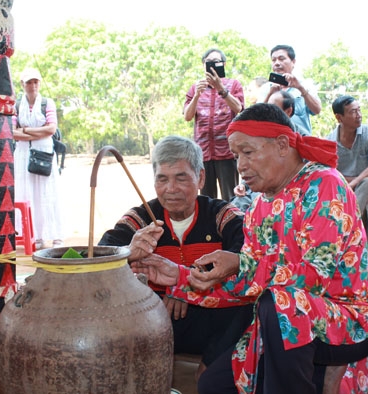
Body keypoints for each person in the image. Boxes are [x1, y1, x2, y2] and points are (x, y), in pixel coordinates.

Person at [132, 104, 368, 394]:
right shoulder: (259, 205)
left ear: (281, 145)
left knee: (277, 304)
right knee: (214, 386)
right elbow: (245, 286)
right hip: (280, 324)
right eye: (236, 155)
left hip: (345, 321)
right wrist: (179, 276)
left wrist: (240, 263)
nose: (239, 165)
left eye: (248, 153)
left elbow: (310, 280)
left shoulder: (325, 185)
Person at [99, 135, 253, 378]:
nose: (171, 189)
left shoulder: (222, 213)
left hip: (210, 324)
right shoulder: (140, 218)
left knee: (248, 307)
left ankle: (209, 370)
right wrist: (127, 252)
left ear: (200, 177)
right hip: (154, 323)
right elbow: (99, 256)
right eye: (162, 179)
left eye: (181, 178)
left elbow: (246, 256)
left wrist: (185, 288)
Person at [328, 95, 368, 272]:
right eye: (353, 112)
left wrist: (353, 182)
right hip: (347, 191)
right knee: (353, 198)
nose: (359, 115)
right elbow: (331, 173)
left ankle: (348, 232)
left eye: (359, 110)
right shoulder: (330, 140)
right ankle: (360, 257)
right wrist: (349, 185)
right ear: (339, 117)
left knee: (367, 184)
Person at [184, 48, 244, 201]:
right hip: (203, 153)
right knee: (205, 198)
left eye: (217, 62)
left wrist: (220, 88)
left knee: (231, 196)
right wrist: (197, 95)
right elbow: (187, 116)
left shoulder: (233, 84)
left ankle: (231, 224)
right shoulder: (195, 87)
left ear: (223, 64)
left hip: (227, 151)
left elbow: (238, 108)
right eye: (208, 62)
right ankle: (209, 225)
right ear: (204, 65)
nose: (213, 65)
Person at [13, 68, 63, 249]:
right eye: (29, 82)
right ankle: (35, 235)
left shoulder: (47, 103)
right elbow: (12, 132)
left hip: (43, 153)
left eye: (35, 82)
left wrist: (25, 131)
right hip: (23, 153)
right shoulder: (17, 105)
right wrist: (36, 132)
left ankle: (55, 235)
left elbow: (51, 129)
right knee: (27, 193)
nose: (32, 86)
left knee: (47, 193)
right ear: (23, 84)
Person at [260, 44, 321, 134]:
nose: (277, 63)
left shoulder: (305, 84)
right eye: (273, 60)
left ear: (293, 62)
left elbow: (317, 110)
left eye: (281, 59)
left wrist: (300, 88)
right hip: (272, 142)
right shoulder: (266, 88)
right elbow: (257, 117)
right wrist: (270, 94)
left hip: (301, 142)